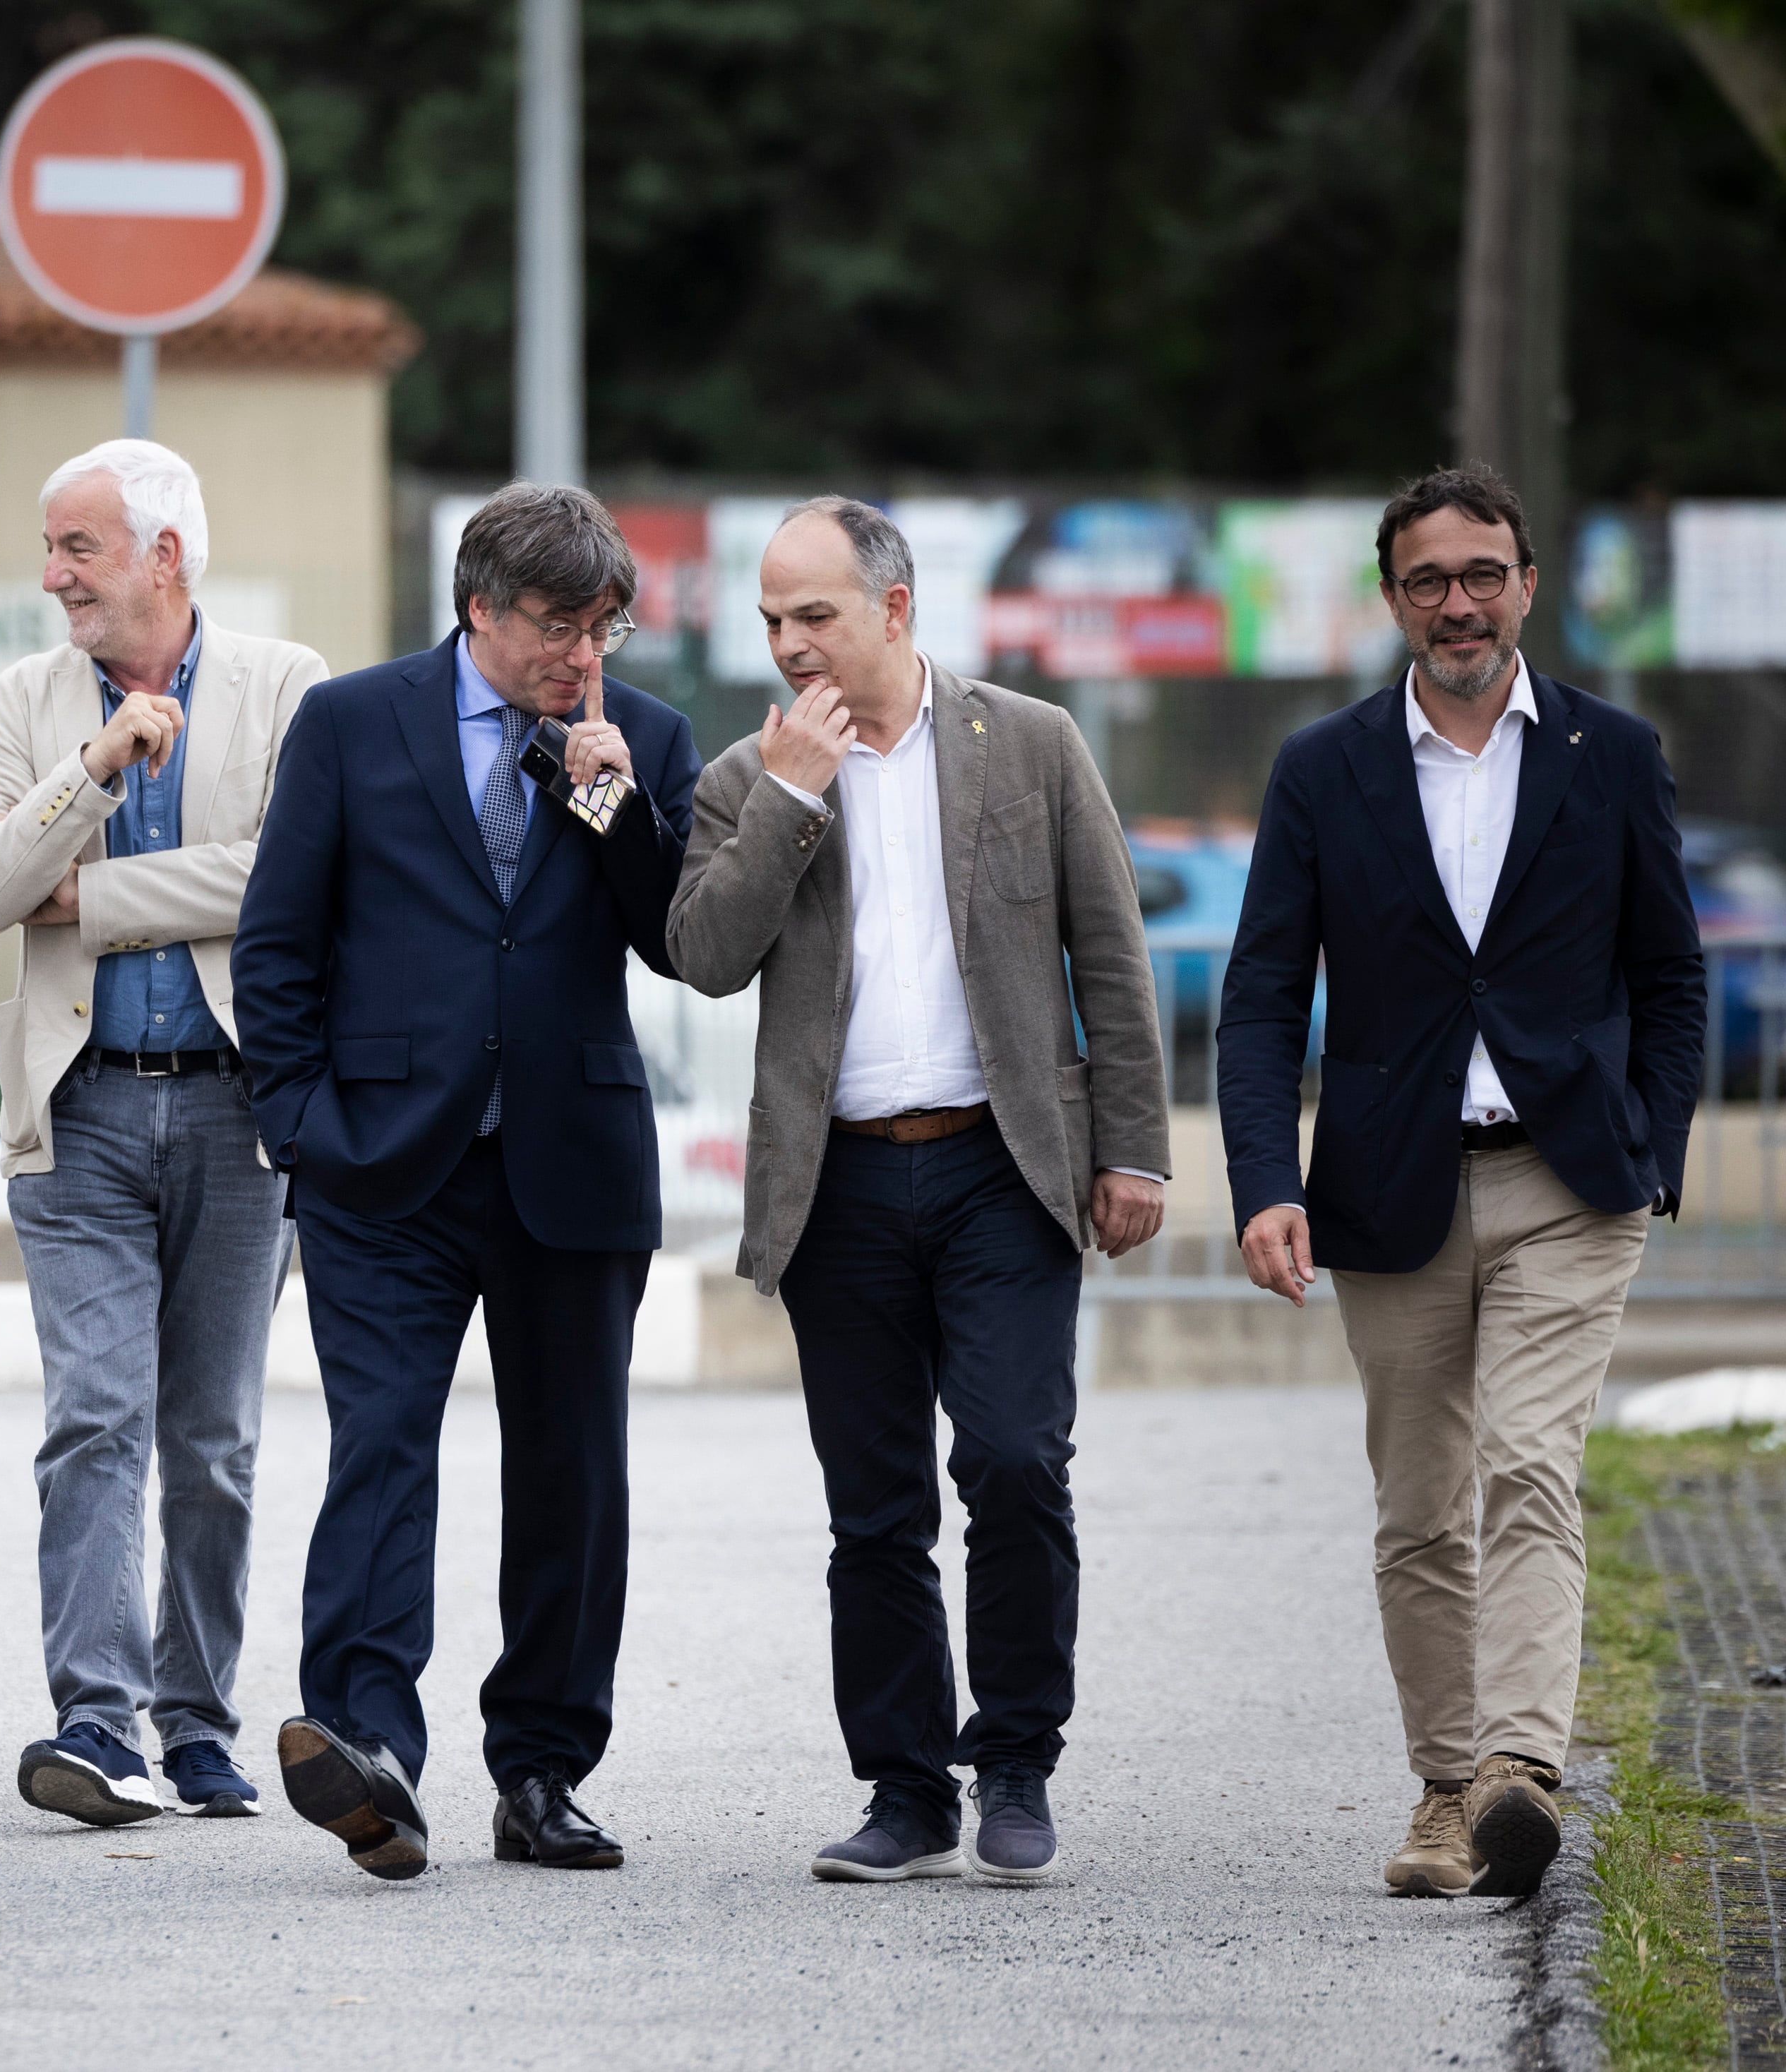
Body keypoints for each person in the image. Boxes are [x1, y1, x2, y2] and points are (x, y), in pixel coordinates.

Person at [665, 497, 1168, 1888]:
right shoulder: (746, 775)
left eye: (813, 614)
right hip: (836, 1184)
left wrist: (1134, 1146)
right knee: (873, 1507)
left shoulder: (1033, 745)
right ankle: (902, 1786)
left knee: (1013, 1461)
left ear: (893, 608)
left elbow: (1112, 959)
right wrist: (788, 800)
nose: (788, 644)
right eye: (770, 620)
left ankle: (1013, 1759)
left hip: (1001, 1167)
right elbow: (703, 954)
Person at [1219, 466, 1706, 1900]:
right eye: (1427, 579)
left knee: (1529, 1464)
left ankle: (1520, 1770)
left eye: (1481, 573)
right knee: (1419, 1501)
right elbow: (1259, 996)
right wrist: (1263, 1180)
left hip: (1570, 1179)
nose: (1457, 603)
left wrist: (1651, 1150)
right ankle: (1444, 1791)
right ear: (1392, 599)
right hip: (1388, 1182)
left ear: (1526, 586)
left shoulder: (1611, 756)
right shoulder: (1324, 770)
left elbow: (1668, 973)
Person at [231, 481, 700, 1881]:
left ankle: (544, 1767)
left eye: (604, 622)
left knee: (574, 1473)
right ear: (479, 608)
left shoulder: (647, 737)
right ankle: (368, 1748)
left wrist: (608, 798)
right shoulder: (349, 721)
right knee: (380, 1444)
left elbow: (675, 941)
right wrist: (303, 1124)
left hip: (573, 1159)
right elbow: (277, 942)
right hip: (383, 1161)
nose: (583, 651)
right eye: (557, 623)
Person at [0, 441, 328, 1826]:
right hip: (82, 1102)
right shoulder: (28, 700)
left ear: (163, 556)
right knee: (93, 1419)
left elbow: (291, 875)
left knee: (214, 1440)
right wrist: (96, 765)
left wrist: (100, 901)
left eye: (79, 550)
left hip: (238, 1110)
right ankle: (96, 1726)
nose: (53, 577)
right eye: (51, 550)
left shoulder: (289, 687)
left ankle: (201, 1723)